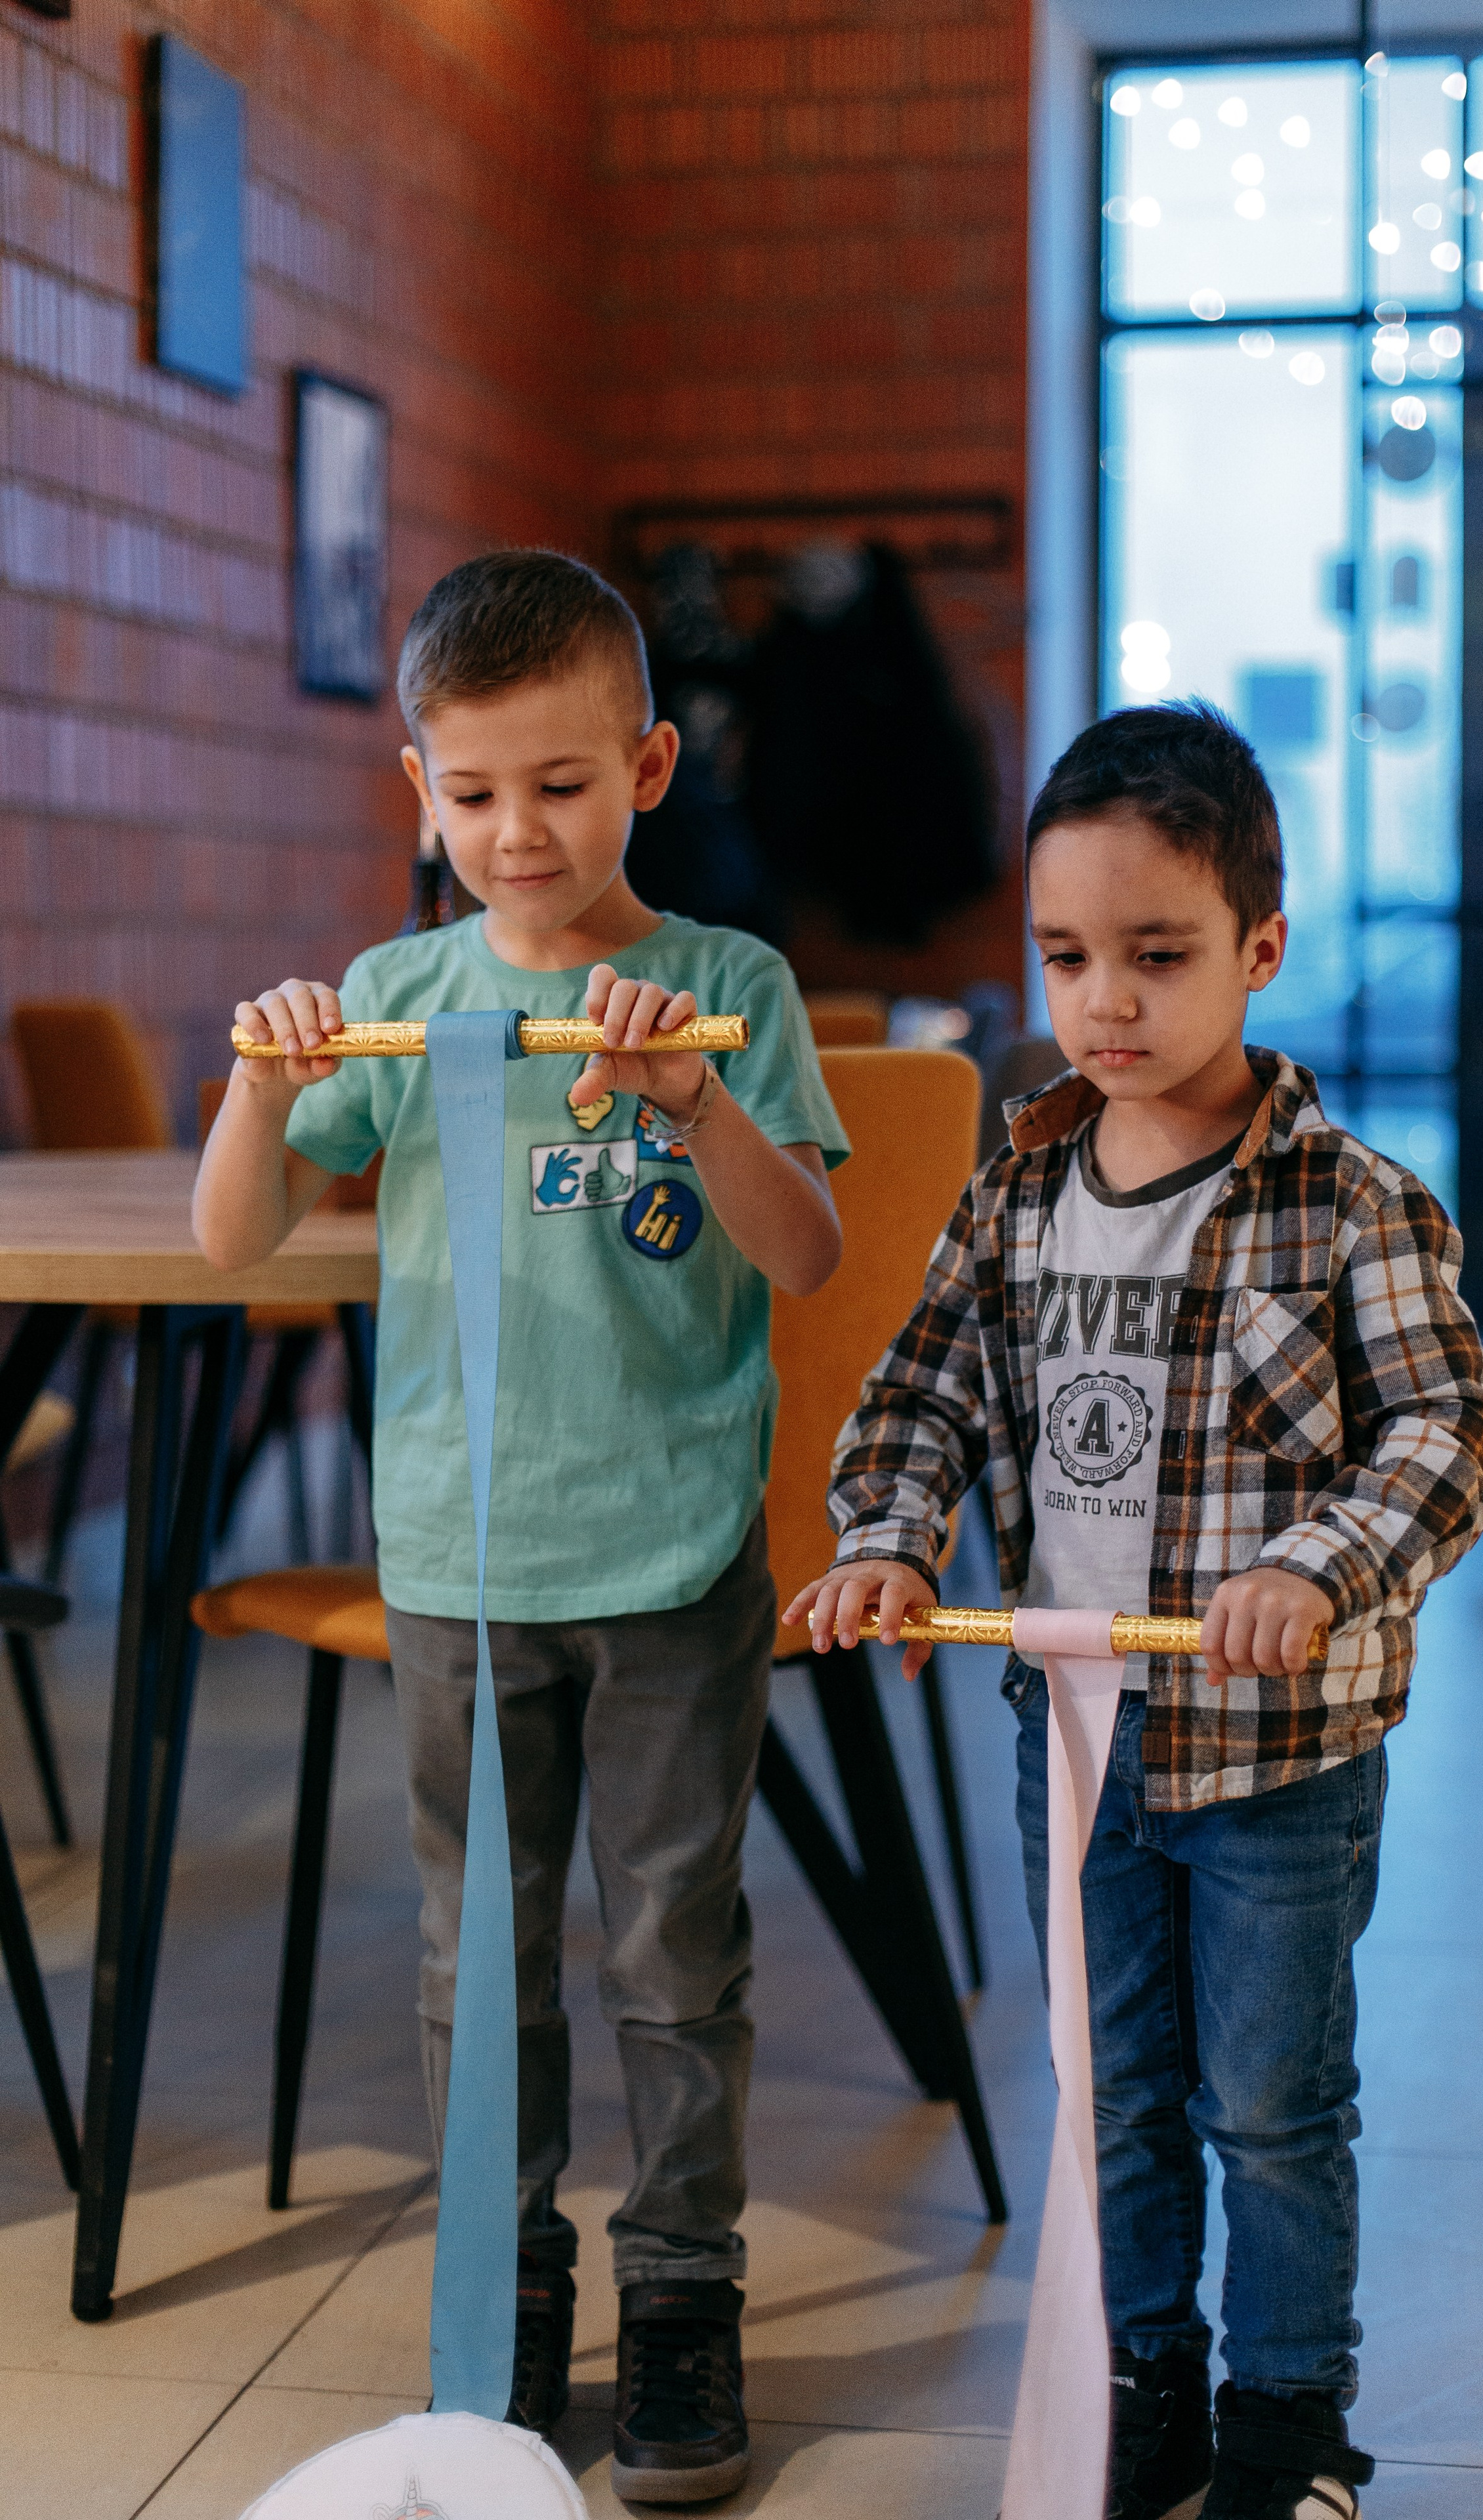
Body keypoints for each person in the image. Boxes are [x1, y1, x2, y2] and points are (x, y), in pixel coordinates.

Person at [787, 702, 1483, 2520]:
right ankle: (1146, 2394)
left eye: (1158, 956)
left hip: (1277, 1756)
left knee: (1268, 2106)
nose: (1104, 1000)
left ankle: (1289, 2425)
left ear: (1261, 952)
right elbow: (921, 1394)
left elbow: (1454, 1429)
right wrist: (887, 1533)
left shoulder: (1350, 1208)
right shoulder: (1020, 1188)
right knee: (1110, 2096)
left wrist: (1317, 1567)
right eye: (1066, 957)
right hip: (1080, 1749)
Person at [193, 549, 848, 2505]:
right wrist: (257, 1082)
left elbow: (808, 1253)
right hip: (464, 1568)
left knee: (671, 1953)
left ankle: (680, 2304)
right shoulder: (394, 1003)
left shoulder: (729, 988)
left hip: (670, 1558)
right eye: (470, 793)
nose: (515, 831)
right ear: (417, 791)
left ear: (647, 766)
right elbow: (237, 1239)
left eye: (560, 784)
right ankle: (504, 2306)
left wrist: (693, 1105)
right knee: (482, 1968)